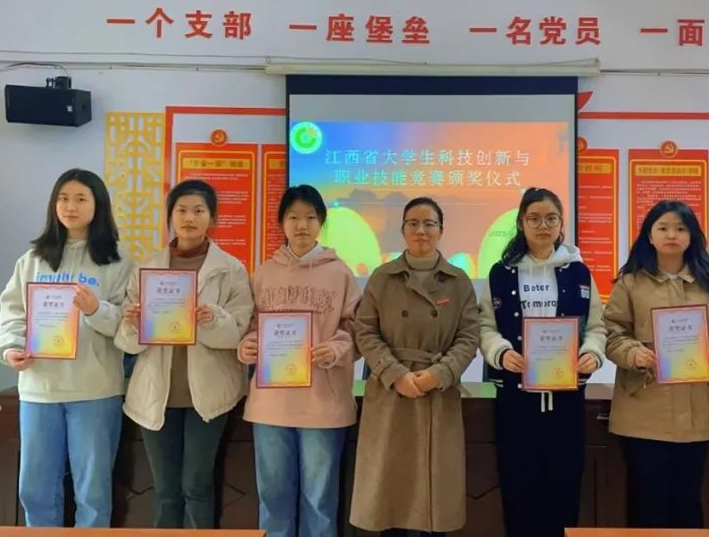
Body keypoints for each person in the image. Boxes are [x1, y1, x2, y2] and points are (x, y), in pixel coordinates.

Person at [0, 168, 133, 527]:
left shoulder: (118, 263)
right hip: (39, 389)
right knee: (35, 489)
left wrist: (95, 309)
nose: (70, 206)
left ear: (98, 205)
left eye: (81, 199)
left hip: (95, 390)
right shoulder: (32, 260)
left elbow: (128, 327)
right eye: (63, 198)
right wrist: (11, 348)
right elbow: (13, 313)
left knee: (93, 492)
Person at [115, 179, 254, 529]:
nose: (189, 218)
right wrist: (134, 323)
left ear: (213, 218)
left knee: (197, 485)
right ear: (170, 216)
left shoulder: (231, 269)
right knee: (165, 490)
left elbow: (239, 333)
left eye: (198, 211)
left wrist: (213, 319)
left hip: (208, 395)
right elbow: (127, 343)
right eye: (181, 210)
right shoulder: (146, 269)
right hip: (157, 395)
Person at [478, 187, 606, 537]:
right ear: (521, 223)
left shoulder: (579, 272)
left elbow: (597, 327)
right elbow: (484, 326)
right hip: (516, 400)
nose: (543, 225)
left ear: (562, 223)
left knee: (564, 489)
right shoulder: (501, 273)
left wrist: (591, 353)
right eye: (534, 218)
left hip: (566, 401)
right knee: (518, 489)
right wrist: (501, 352)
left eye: (551, 218)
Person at [349, 197, 480, 537]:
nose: (421, 230)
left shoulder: (459, 281)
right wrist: (395, 374)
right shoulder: (382, 277)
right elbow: (365, 331)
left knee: (434, 499)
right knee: (390, 497)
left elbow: (469, 336)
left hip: (438, 394)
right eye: (413, 223)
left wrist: (441, 373)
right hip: (391, 394)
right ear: (403, 230)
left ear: (441, 230)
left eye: (429, 223)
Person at [603, 200, 709, 528]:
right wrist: (632, 353)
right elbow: (612, 333)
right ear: (649, 235)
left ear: (692, 236)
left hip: (697, 410)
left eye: (680, 228)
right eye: (663, 228)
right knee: (647, 502)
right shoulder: (630, 283)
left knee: (688, 501)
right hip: (644, 409)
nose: (672, 235)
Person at [237, 185, 361, 537]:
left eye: (310, 217)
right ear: (282, 223)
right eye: (293, 217)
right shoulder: (264, 273)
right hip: (270, 406)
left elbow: (357, 329)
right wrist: (247, 346)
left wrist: (336, 348)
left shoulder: (340, 273)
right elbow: (250, 325)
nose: (302, 225)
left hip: (323, 405)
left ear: (321, 222)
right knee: (273, 499)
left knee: (319, 502)